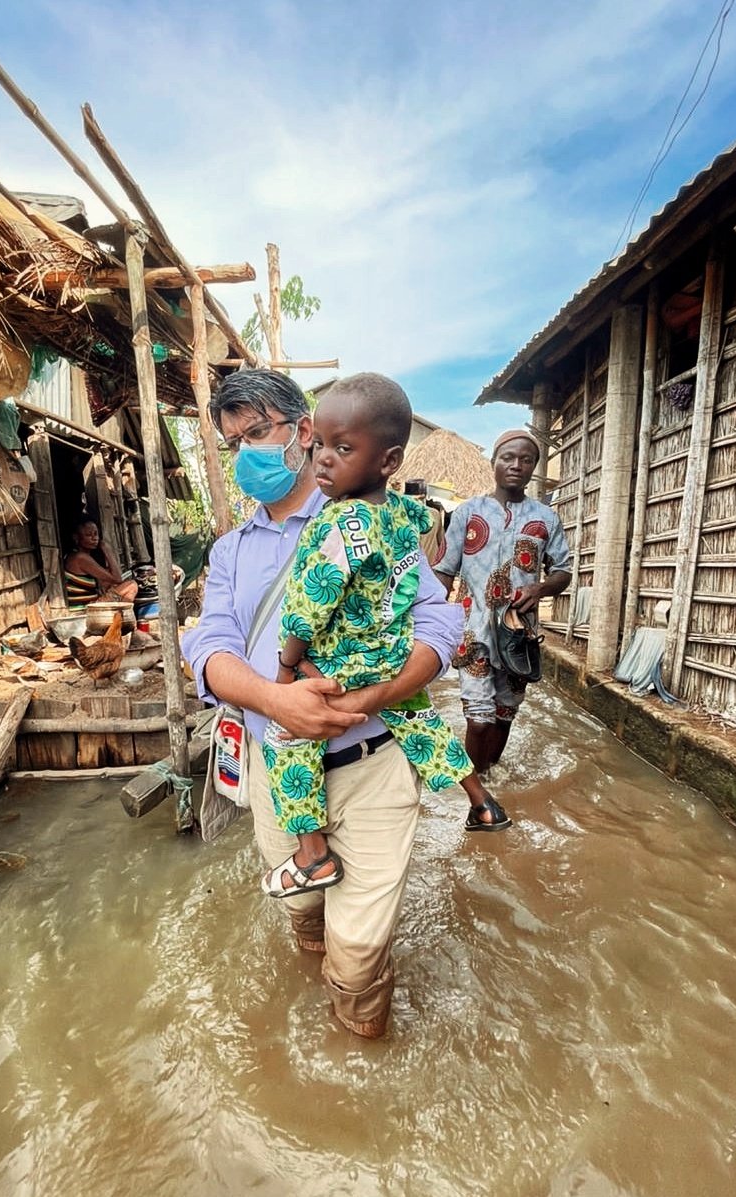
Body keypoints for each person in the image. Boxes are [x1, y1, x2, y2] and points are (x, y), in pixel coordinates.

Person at [180, 369, 461, 1039]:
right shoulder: (229, 553)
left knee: (360, 956)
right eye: (232, 441)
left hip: (373, 763)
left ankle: (358, 1055)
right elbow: (210, 650)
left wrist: (381, 694)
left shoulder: (371, 519)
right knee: (303, 912)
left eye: (257, 433)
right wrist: (279, 701)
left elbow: (440, 621)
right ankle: (316, 962)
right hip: (277, 767)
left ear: (302, 432)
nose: (245, 452)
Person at [262, 377, 511, 901]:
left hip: (340, 663)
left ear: (388, 460)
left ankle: (311, 855)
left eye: (343, 448)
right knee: (420, 720)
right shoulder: (399, 512)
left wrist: (287, 671)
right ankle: (482, 802)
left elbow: (309, 603)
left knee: (285, 738)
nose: (324, 460)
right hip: (392, 655)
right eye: (321, 446)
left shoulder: (341, 522)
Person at [433, 429, 573, 775]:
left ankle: (492, 776)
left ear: (534, 468)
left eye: (526, 460)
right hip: (473, 631)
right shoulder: (467, 513)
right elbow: (444, 571)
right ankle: (477, 792)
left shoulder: (546, 519)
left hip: (517, 636)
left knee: (504, 716)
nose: (516, 465)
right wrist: (433, 623)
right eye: (508, 458)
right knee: (478, 720)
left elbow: (564, 572)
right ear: (493, 463)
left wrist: (539, 589)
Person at [64, 519, 138, 607]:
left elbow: (110, 580)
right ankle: (124, 617)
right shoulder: (80, 557)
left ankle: (120, 616)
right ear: (76, 537)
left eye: (96, 534)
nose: (94, 538)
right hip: (85, 608)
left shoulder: (79, 556)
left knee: (111, 584)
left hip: (90, 604)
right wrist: (107, 550)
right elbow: (117, 578)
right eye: (88, 535)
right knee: (131, 585)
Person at [402, 478, 445, 566]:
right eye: (413, 499)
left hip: (430, 568)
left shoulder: (434, 514)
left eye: (420, 499)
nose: (417, 502)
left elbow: (442, 543)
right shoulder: (400, 516)